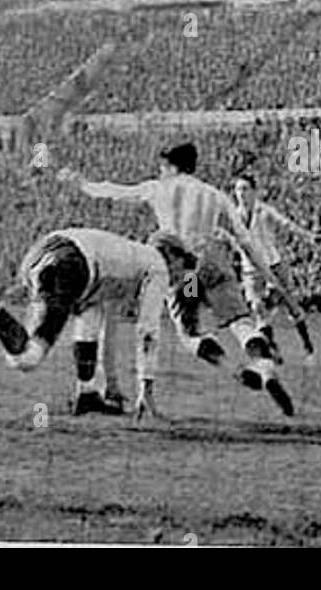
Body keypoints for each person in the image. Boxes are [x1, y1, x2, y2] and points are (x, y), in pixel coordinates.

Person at [59, 142, 299, 416]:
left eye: (162, 167)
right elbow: (246, 241)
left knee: (190, 332)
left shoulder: (159, 188)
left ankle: (232, 369)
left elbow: (115, 192)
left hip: (183, 270)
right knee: (240, 322)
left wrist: (80, 182)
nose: (160, 171)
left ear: (170, 166)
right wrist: (272, 279)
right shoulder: (214, 194)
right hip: (211, 263)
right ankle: (266, 370)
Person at [0, 227, 168, 420]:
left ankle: (87, 393)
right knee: (27, 359)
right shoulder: (158, 267)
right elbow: (148, 330)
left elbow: (91, 326)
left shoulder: (128, 257)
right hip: (69, 265)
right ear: (174, 258)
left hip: (43, 252)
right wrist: (145, 388)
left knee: (87, 320)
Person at [231, 175, 317, 359]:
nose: (241, 193)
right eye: (238, 189)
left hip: (274, 266)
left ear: (254, 191)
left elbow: (286, 224)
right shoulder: (234, 216)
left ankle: (308, 346)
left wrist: (308, 236)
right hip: (251, 270)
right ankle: (271, 349)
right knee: (257, 307)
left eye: (245, 189)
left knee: (291, 307)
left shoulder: (264, 211)